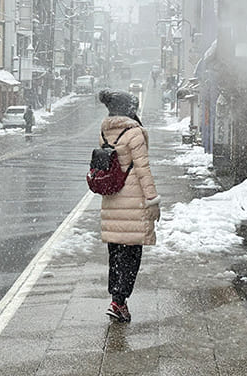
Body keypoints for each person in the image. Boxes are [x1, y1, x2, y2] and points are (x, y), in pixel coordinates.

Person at [97, 89, 160, 323]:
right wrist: (152, 200)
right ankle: (119, 301)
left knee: (115, 255)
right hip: (132, 203)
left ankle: (116, 297)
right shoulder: (134, 133)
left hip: (112, 201)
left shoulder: (105, 131)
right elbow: (143, 170)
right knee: (132, 255)